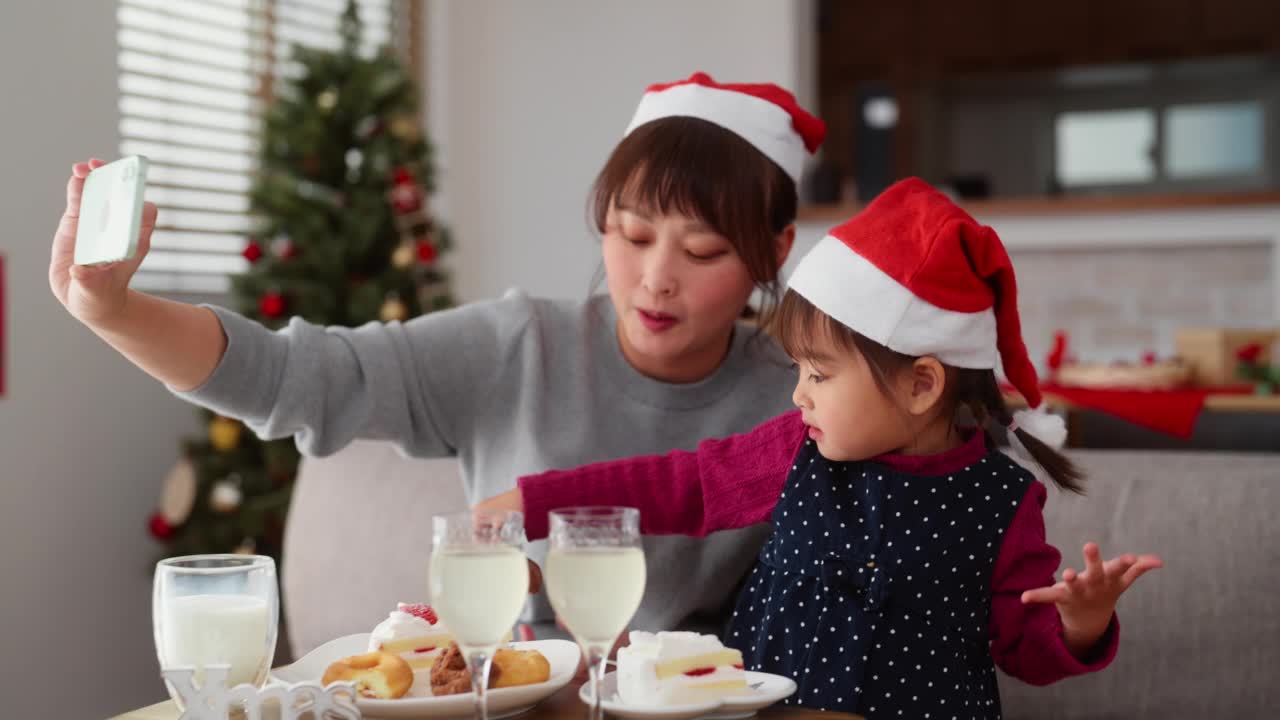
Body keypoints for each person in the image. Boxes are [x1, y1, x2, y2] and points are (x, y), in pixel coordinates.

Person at [48, 72, 826, 639]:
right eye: (631, 234)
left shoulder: (808, 396)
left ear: (774, 248)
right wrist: (115, 311)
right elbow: (293, 378)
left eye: (703, 249)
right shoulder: (518, 344)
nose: (657, 279)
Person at [482, 178, 1163, 717]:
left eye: (820, 374)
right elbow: (676, 486)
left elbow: (1026, 651)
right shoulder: (794, 451)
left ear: (922, 384)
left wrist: (1080, 624)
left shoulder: (1002, 501)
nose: (799, 395)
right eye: (799, 372)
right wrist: (537, 500)